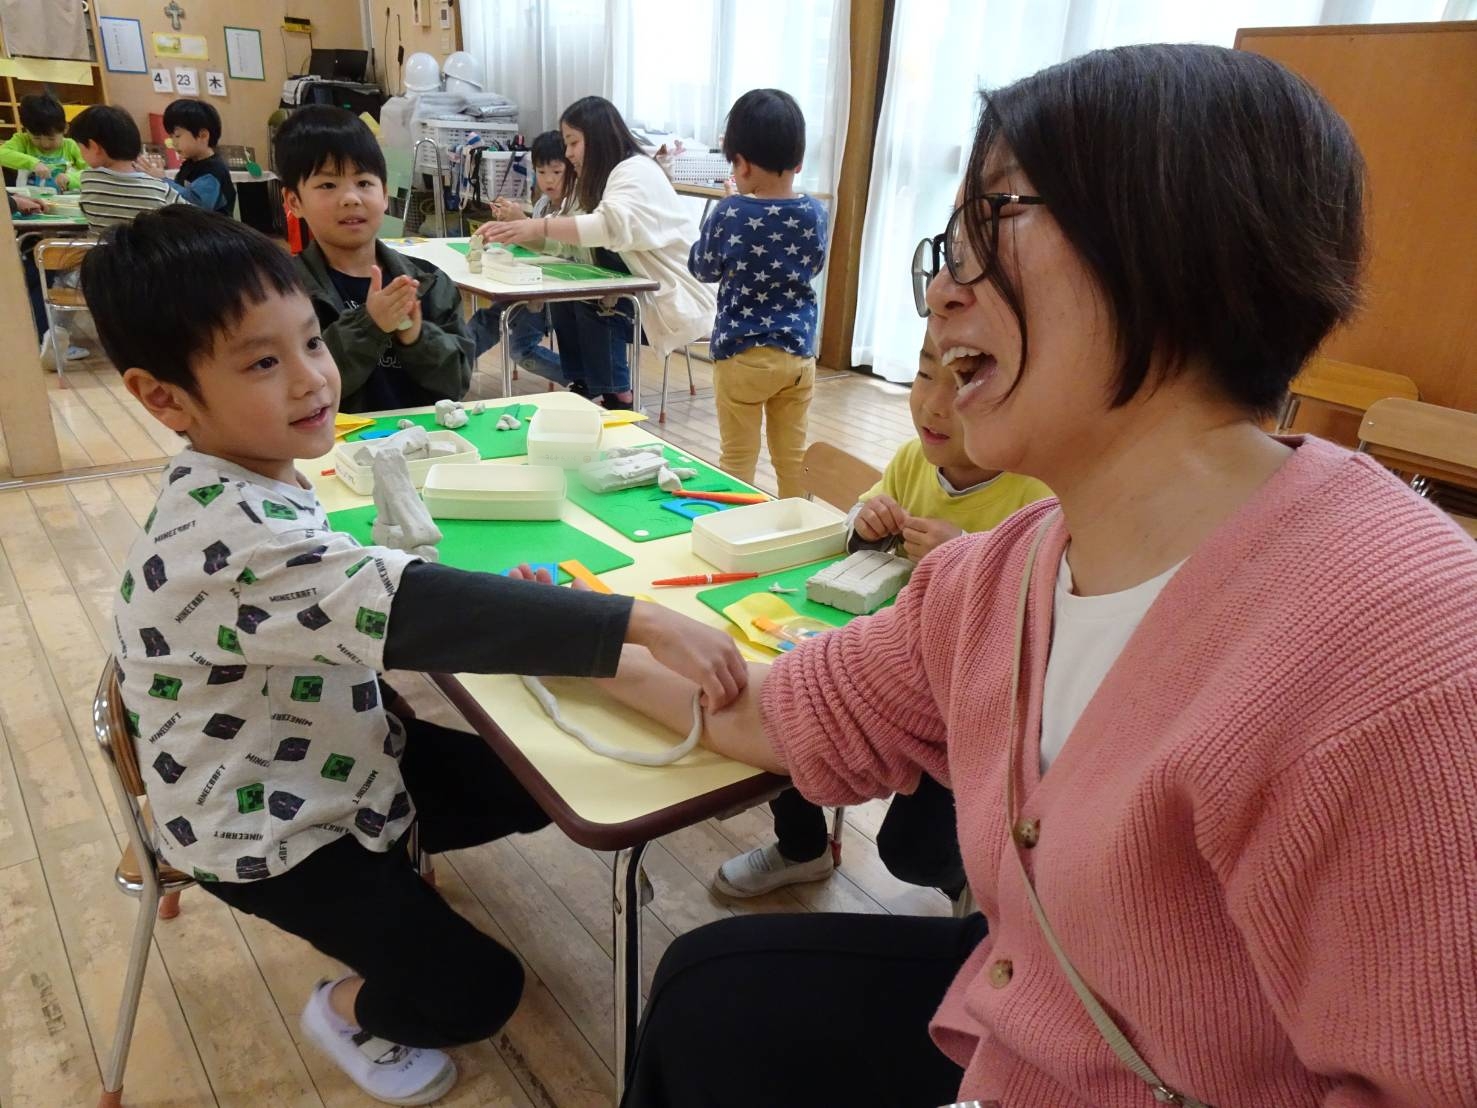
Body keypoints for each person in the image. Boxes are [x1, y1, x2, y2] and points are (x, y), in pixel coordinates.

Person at [580, 44, 1477, 1107]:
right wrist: (550, 636)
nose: (942, 293)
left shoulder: (1409, 659)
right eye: (947, 246)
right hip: (1027, 1032)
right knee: (711, 996)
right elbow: (782, 713)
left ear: (1177, 244)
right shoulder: (1002, 574)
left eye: (990, 229)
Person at [79, 205, 747, 1107]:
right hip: (267, 830)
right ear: (164, 398)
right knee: (478, 992)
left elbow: (363, 591)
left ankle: (401, 882)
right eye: (263, 363)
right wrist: (639, 621)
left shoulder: (245, 474)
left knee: (539, 781)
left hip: (335, 750)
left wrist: (525, 614)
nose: (313, 378)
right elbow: (411, 605)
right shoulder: (233, 537)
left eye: (310, 341)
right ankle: (341, 1008)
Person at [716, 332, 1052, 900]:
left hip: (965, 707)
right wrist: (866, 522)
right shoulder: (912, 459)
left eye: (962, 386)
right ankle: (802, 848)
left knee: (912, 852)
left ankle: (988, 895)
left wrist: (966, 552)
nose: (934, 405)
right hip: (884, 662)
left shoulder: (1036, 494)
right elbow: (859, 523)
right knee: (791, 705)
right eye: (924, 375)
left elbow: (1035, 613)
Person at [477, 96, 715, 410]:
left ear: (598, 137)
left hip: (675, 299)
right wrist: (523, 232)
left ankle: (618, 398)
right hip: (638, 295)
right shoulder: (594, 181)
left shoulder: (636, 171)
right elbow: (567, 243)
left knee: (596, 302)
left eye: (573, 142)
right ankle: (586, 386)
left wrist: (536, 227)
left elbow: (609, 226)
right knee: (569, 295)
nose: (568, 153)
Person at [276, 106, 474, 413]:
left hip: (423, 439)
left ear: (384, 194)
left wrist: (416, 337)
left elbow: (457, 383)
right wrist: (371, 324)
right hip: (334, 442)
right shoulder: (284, 293)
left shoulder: (428, 283)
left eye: (364, 183)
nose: (351, 198)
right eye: (328, 185)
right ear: (294, 201)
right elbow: (300, 390)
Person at [688, 89, 828, 498]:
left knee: (737, 459)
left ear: (742, 163)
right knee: (793, 459)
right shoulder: (815, 212)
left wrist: (723, 214)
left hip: (741, 355)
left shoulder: (730, 212)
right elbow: (813, 265)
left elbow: (703, 267)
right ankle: (799, 524)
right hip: (798, 354)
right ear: (798, 161)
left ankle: (736, 525)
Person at [466, 130, 568, 381]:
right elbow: (536, 246)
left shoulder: (573, 207)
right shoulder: (543, 204)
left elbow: (558, 248)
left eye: (557, 171)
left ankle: (582, 380)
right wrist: (510, 227)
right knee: (488, 319)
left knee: (521, 349)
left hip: (556, 294)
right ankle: (450, 365)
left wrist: (520, 222)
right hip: (530, 284)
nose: (549, 180)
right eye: (541, 172)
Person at [69, 105, 185, 231]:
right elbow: (193, 220)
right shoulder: (160, 189)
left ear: (94, 147)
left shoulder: (89, 180)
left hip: (104, 244)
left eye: (80, 148)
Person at [135, 98, 236, 214]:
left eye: (177, 136)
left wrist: (162, 179)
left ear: (203, 135)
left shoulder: (213, 170)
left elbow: (194, 205)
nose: (173, 142)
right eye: (171, 136)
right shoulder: (189, 164)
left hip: (212, 226)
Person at [0, 92, 86, 191]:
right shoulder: (23, 141)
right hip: (28, 199)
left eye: (51, 138)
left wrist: (71, 178)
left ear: (65, 128)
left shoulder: (71, 146)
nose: (45, 144)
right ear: (27, 130)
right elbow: (2, 153)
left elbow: (91, 172)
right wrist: (33, 163)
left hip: (64, 199)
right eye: (36, 138)